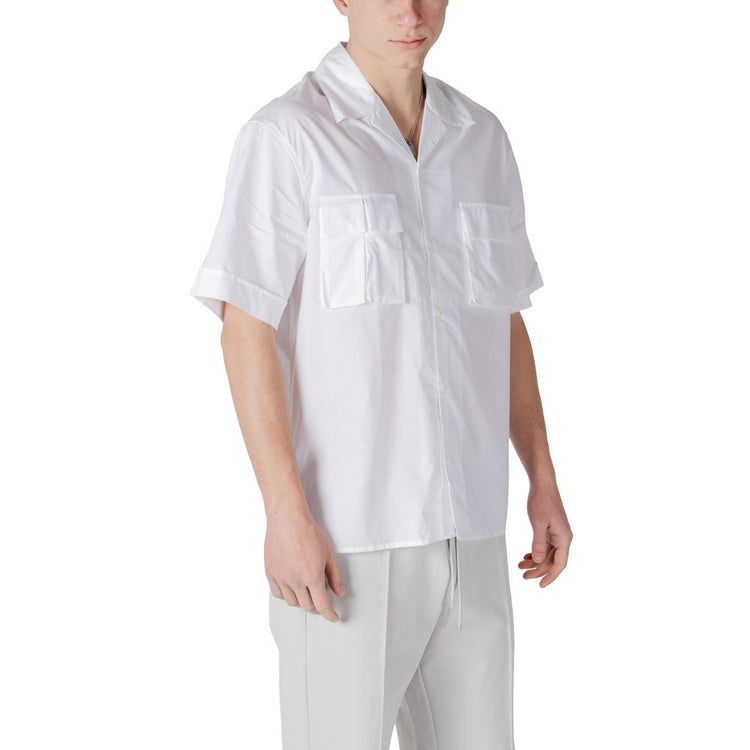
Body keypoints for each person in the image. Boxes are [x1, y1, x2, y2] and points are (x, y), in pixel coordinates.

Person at [190, 2, 572, 748]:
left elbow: (502, 321)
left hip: (472, 534)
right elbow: (245, 327)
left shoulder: (483, 138)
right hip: (345, 541)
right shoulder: (287, 135)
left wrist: (543, 478)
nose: (409, 10)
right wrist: (284, 515)